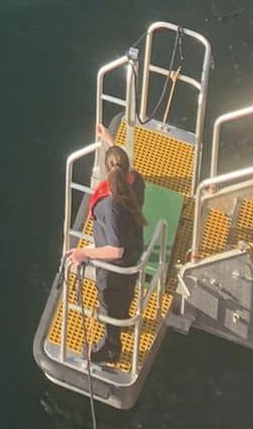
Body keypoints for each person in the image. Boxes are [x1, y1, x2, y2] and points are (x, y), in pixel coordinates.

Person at [66, 141, 146, 366]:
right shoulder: (136, 182)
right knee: (126, 295)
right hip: (134, 252)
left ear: (107, 168)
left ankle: (111, 349)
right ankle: (124, 320)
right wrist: (110, 141)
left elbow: (115, 249)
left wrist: (84, 253)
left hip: (115, 267)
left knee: (109, 304)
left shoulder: (111, 206)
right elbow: (123, 166)